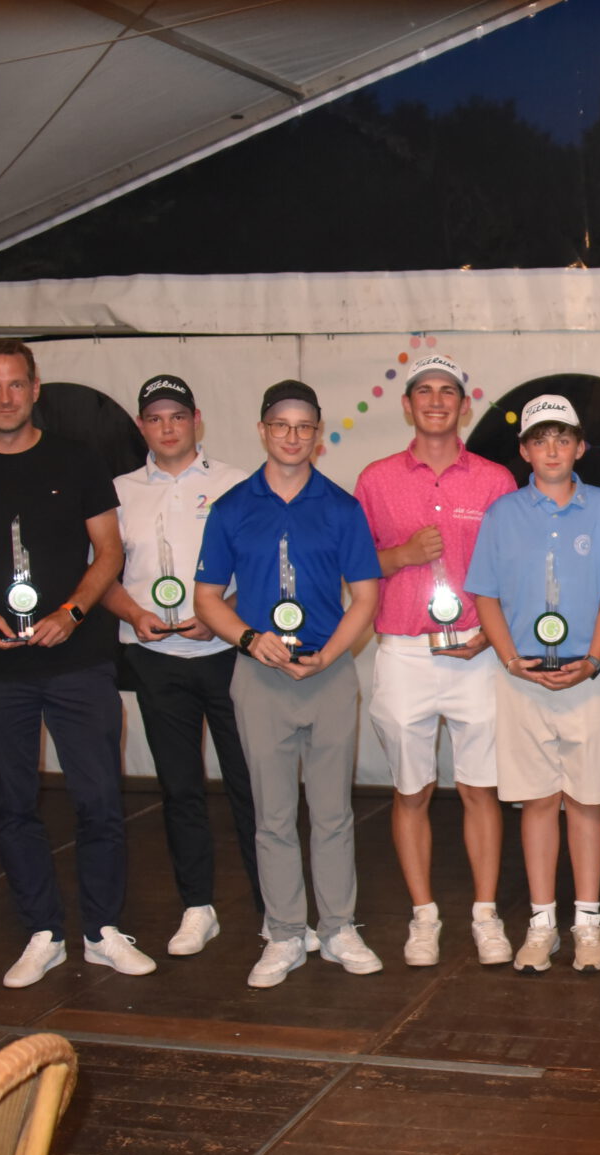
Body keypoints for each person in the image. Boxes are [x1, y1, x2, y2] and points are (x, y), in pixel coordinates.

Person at [0, 339, 155, 988]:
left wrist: (72, 612)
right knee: (13, 804)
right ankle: (43, 932)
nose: (5, 397)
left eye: (16, 384)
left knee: (99, 799)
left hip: (79, 661)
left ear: (35, 388)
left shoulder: (78, 461)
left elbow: (108, 553)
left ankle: (102, 932)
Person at [194, 379, 382, 989]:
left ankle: (338, 926)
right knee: (272, 815)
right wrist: (250, 639)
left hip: (328, 675)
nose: (292, 437)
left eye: (304, 427)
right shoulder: (231, 508)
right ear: (263, 431)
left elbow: (366, 597)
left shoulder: (342, 508)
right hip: (260, 677)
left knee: (332, 813)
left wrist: (329, 655)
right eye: (281, 425)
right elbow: (207, 598)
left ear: (318, 435)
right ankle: (283, 933)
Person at [355, 353, 517, 968]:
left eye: (447, 391)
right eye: (424, 390)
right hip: (405, 651)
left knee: (481, 789)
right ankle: (423, 917)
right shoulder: (375, 479)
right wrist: (400, 555)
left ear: (464, 405)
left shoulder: (496, 480)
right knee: (411, 790)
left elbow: (510, 570)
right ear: (407, 405)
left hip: (475, 650)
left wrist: (494, 638)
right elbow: (355, 564)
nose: (435, 400)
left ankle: (485, 914)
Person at [468, 394, 600, 976]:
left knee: (587, 801)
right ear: (525, 451)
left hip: (590, 676)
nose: (552, 450)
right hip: (522, 678)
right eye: (541, 440)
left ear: (580, 447)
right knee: (537, 801)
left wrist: (592, 659)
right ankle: (541, 923)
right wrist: (510, 660)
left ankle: (587, 922)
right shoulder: (503, 513)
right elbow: (485, 594)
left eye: (563, 439)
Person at [102, 374, 258, 957]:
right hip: (157, 661)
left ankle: (276, 910)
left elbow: (258, 569)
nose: (167, 428)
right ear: (142, 426)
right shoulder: (118, 491)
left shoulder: (235, 483)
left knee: (251, 785)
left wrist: (221, 614)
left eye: (177, 416)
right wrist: (134, 614)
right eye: (155, 418)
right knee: (180, 789)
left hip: (228, 657)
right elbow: (102, 575)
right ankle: (197, 908)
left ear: (197, 420)